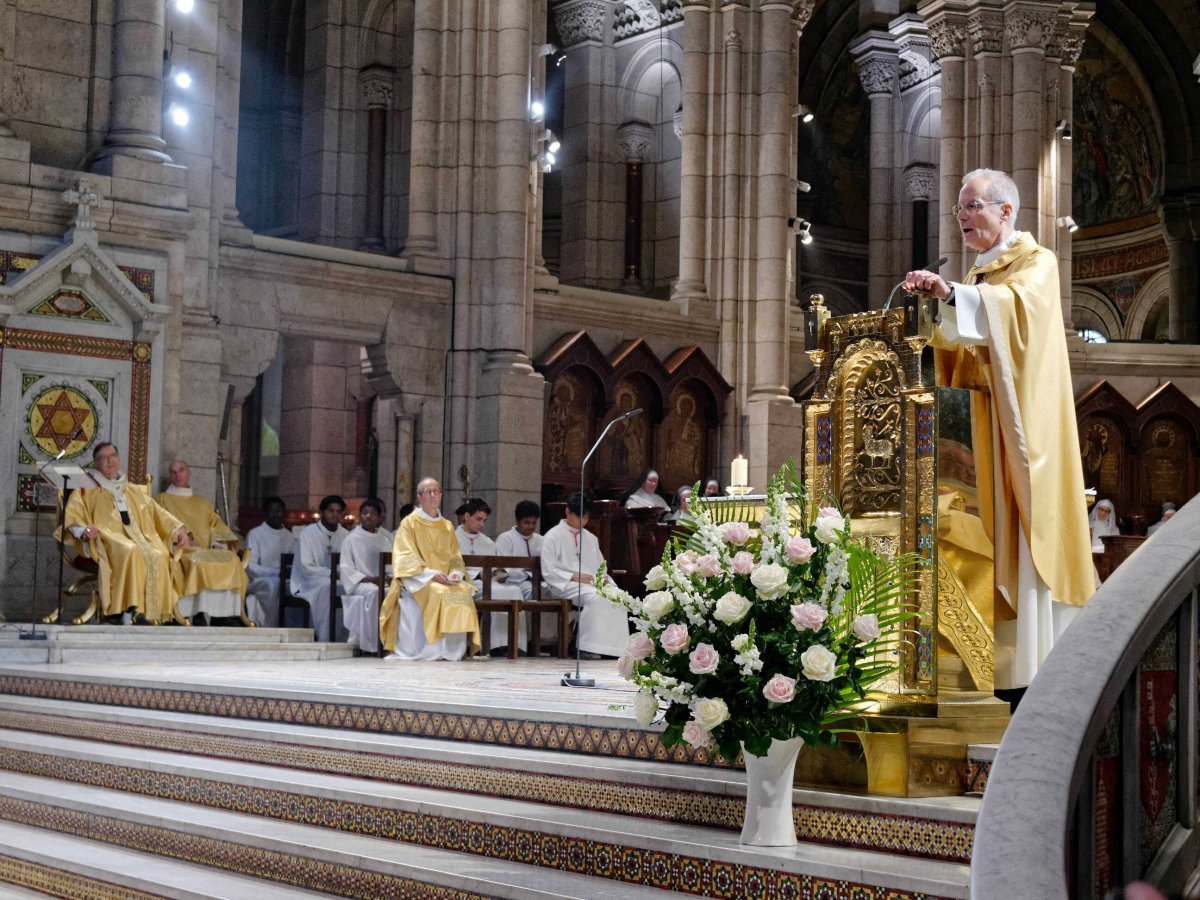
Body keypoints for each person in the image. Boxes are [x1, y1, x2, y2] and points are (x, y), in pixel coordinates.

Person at [904, 168, 1094, 697]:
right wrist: (937, 304)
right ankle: (990, 661)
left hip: (1019, 432)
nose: (962, 217)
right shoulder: (981, 275)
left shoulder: (1036, 262)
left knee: (1022, 535)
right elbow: (964, 346)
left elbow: (1018, 316)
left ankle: (1028, 668)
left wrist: (955, 296)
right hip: (976, 429)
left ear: (1005, 211)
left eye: (973, 207)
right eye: (960, 209)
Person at [62, 442, 190, 623]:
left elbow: (156, 511)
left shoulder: (131, 488)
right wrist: (83, 531)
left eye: (113, 455)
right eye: (104, 458)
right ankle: (123, 610)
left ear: (119, 458)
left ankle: (152, 613)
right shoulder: (87, 488)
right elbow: (74, 513)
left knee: (160, 553)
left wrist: (178, 529)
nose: (110, 460)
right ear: (96, 463)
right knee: (131, 551)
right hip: (108, 538)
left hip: (140, 536)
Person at [380, 477, 480, 660]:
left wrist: (455, 574)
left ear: (441, 495)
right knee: (439, 593)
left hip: (446, 579)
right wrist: (433, 575)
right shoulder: (409, 523)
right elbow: (405, 556)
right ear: (420, 496)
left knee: (464, 590)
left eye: (436, 492)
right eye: (428, 492)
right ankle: (431, 651)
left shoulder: (447, 526)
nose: (433, 496)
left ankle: (453, 652)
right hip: (417, 579)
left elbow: (455, 556)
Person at [155, 458, 248, 622]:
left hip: (206, 549)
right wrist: (180, 540)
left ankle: (224, 615)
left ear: (189, 473)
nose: (178, 475)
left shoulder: (202, 502)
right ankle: (197, 613)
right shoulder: (162, 500)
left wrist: (217, 544)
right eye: (173, 472)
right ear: (169, 476)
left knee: (231, 559)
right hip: (181, 551)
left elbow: (215, 525)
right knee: (199, 560)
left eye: (181, 470)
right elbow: (159, 525)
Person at [542, 492, 629, 658]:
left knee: (619, 596)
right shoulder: (552, 536)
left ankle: (612, 649)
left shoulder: (591, 538)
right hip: (563, 584)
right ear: (567, 512)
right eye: (578, 517)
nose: (582, 522)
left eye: (586, 517)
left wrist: (604, 578)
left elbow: (600, 567)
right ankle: (587, 647)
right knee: (596, 597)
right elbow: (548, 570)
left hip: (590, 583)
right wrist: (572, 576)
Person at [456, 497, 526, 655]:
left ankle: (515, 644)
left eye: (484, 520)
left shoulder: (487, 542)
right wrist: (478, 575)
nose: (481, 524)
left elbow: (496, 566)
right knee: (498, 593)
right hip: (465, 583)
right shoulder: (452, 538)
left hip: (489, 582)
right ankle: (493, 646)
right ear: (466, 516)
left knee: (515, 591)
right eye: (478, 519)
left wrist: (500, 573)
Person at [289, 495, 348, 641]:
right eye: (331, 511)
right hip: (308, 580)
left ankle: (345, 639)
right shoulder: (307, 533)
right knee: (328, 587)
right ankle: (326, 638)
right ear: (322, 512)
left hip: (338, 578)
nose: (335, 515)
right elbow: (306, 566)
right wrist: (333, 573)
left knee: (352, 588)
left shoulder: (346, 535)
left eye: (338, 511)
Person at [338, 498, 392, 654]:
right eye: (365, 513)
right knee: (374, 592)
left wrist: (389, 577)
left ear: (379, 517)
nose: (368, 516)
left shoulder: (385, 540)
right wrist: (372, 579)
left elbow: (391, 566)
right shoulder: (351, 539)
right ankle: (371, 643)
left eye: (373, 513)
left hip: (382, 581)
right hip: (360, 584)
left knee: (398, 593)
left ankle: (391, 642)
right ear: (360, 516)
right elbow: (347, 569)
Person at [244, 496, 294, 627]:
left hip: (284, 578)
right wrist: (276, 572)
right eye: (271, 510)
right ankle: (271, 626)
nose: (275, 514)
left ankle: (295, 626)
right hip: (259, 580)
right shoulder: (255, 534)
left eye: (279, 510)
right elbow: (250, 566)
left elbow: (292, 564)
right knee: (275, 585)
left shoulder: (289, 536)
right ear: (265, 513)